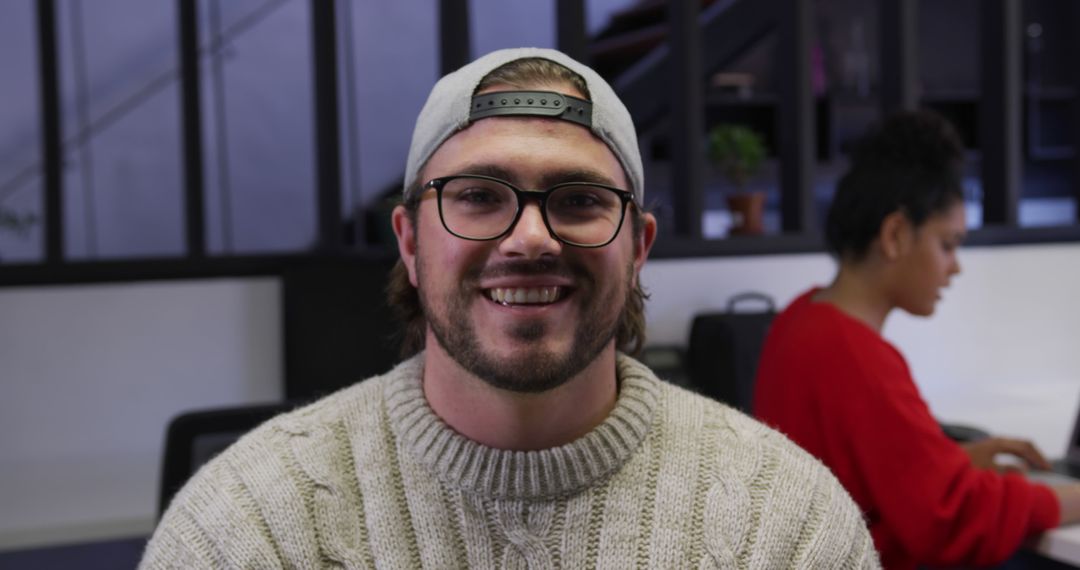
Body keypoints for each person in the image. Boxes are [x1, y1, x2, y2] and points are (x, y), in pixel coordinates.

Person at [140, 48, 878, 568]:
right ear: (409, 239)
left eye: (581, 201)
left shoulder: (784, 524)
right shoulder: (248, 527)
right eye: (478, 197)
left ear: (639, 244)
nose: (530, 238)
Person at [753, 110, 1080, 569]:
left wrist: (951, 460)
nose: (955, 266)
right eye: (948, 244)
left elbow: (868, 476)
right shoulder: (856, 356)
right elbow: (951, 519)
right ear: (895, 235)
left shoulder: (800, 317)